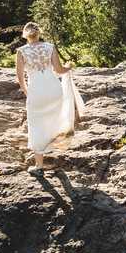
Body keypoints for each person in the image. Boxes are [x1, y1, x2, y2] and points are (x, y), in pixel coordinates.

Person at [15, 22, 83, 169]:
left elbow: (20, 79)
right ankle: (54, 146)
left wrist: (28, 93)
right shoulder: (50, 47)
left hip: (37, 92)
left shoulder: (21, 52)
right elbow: (59, 70)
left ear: (25, 35)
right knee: (52, 119)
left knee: (37, 125)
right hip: (54, 90)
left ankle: (39, 166)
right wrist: (69, 66)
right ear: (39, 33)